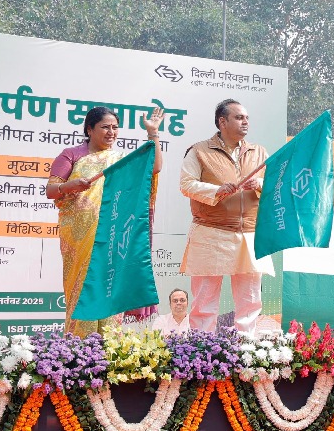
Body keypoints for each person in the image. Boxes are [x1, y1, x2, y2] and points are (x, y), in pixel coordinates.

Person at [47, 105, 165, 335]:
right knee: (83, 288)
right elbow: (51, 190)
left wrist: (153, 134)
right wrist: (69, 186)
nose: (111, 132)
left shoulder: (121, 159)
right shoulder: (71, 154)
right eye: (105, 127)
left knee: (111, 284)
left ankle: (110, 347)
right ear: (89, 129)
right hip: (81, 235)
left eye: (115, 127)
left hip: (114, 231)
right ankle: (78, 350)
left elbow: (155, 167)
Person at [179, 99, 272, 334]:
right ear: (222, 122)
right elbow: (186, 184)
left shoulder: (259, 152)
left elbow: (276, 185)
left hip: (250, 233)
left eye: (247, 118)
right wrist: (216, 191)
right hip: (211, 231)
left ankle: (248, 352)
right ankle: (200, 350)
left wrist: (260, 183)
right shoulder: (199, 150)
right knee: (204, 301)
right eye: (239, 118)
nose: (246, 122)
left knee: (250, 300)